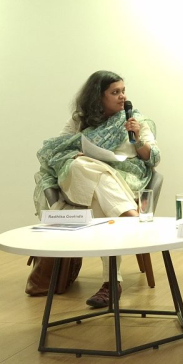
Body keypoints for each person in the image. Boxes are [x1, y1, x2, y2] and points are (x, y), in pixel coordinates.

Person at [33, 71, 161, 307]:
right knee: (80, 165)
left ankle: (112, 282)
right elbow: (56, 150)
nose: (122, 97)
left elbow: (152, 158)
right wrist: (77, 154)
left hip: (124, 180)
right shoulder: (78, 121)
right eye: (115, 92)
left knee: (98, 200)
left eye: (123, 91)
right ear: (98, 96)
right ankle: (130, 217)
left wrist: (137, 138)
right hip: (80, 180)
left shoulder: (135, 120)